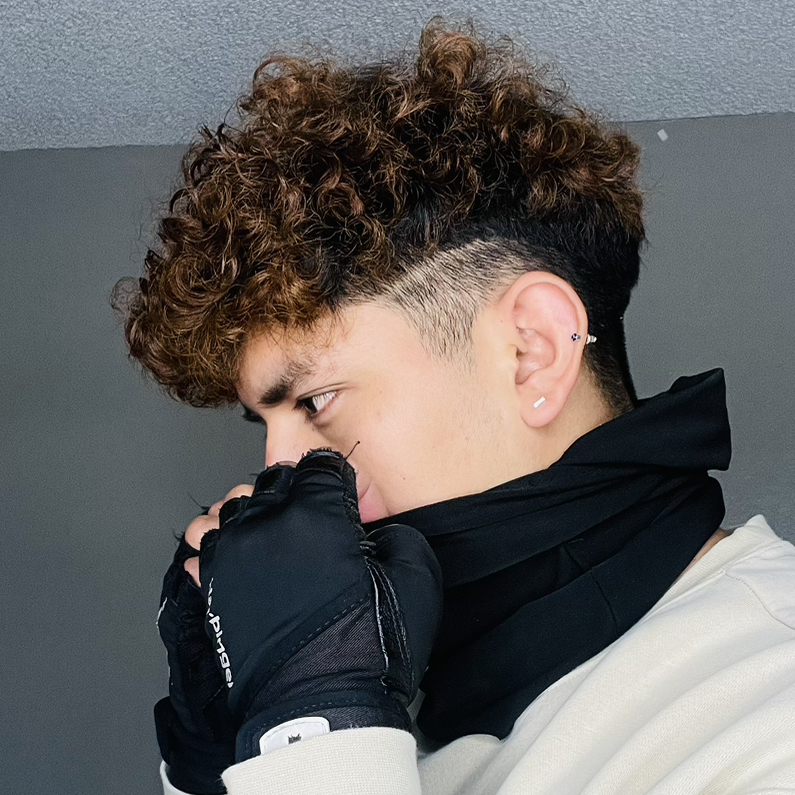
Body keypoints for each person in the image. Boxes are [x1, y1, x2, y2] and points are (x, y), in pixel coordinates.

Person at [116, 18, 795, 795]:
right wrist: (219, 761)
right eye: (267, 426)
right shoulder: (398, 694)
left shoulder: (770, 713)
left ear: (531, 350)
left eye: (317, 399)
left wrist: (311, 726)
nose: (277, 472)